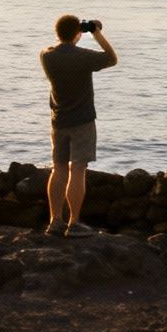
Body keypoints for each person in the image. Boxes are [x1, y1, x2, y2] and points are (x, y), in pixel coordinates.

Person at [39, 14, 118, 237]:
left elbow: (63, 47)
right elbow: (112, 59)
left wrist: (79, 33)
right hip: (82, 121)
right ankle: (73, 223)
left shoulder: (46, 55)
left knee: (59, 169)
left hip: (58, 121)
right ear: (78, 33)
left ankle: (55, 221)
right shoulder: (83, 56)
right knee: (78, 169)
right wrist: (96, 32)